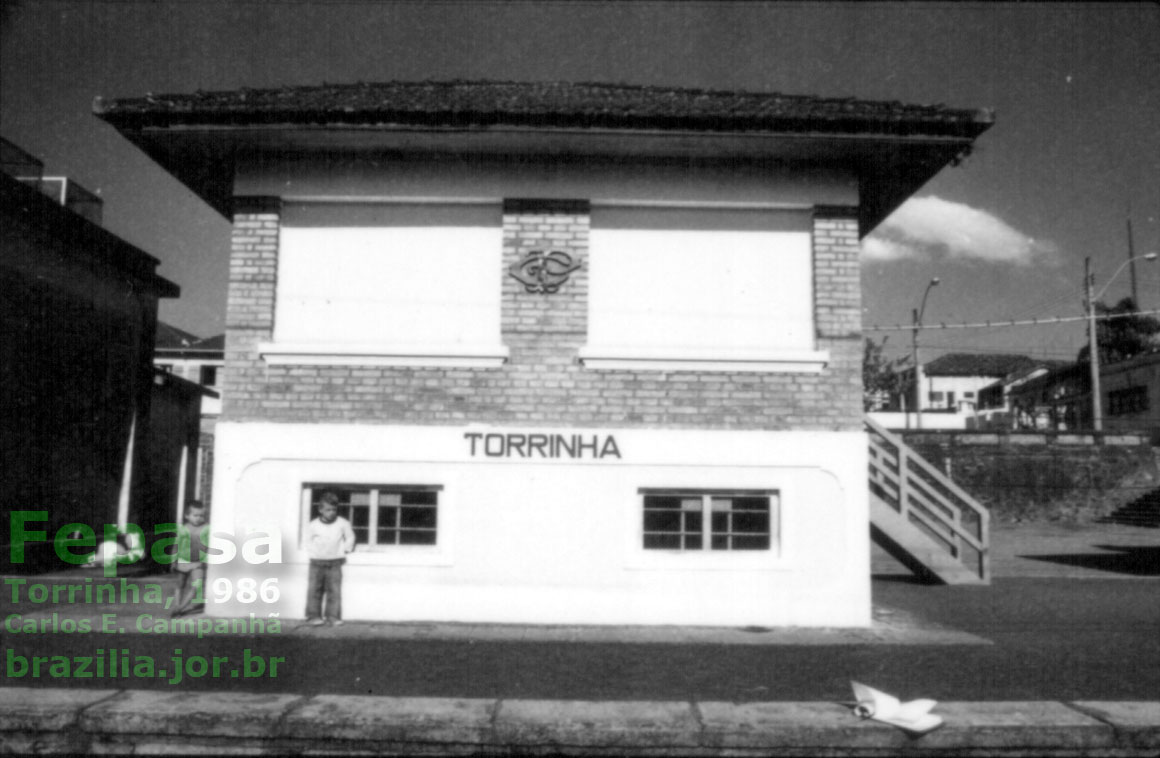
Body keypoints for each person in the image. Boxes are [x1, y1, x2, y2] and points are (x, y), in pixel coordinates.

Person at [305, 491, 356, 626]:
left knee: (334, 591)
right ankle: (313, 616)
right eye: (328, 510)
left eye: (334, 509)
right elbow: (307, 540)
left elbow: (350, 537)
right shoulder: (314, 524)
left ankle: (333, 617)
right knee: (314, 590)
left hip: (335, 562)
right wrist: (314, 552)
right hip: (317, 562)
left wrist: (346, 549)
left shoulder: (342, 523)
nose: (331, 512)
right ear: (320, 510)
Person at [172, 501, 209, 617]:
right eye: (195, 515)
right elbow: (176, 545)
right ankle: (177, 605)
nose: (198, 518)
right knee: (180, 584)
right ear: (187, 516)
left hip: (198, 561)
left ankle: (181, 608)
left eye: (201, 516)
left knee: (196, 585)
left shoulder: (207, 528)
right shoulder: (184, 529)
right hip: (183, 560)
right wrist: (173, 560)